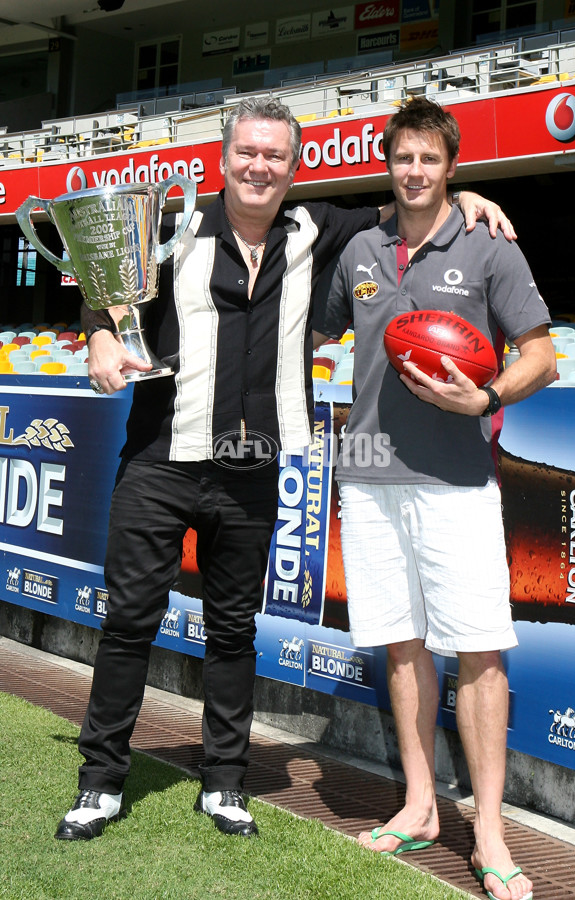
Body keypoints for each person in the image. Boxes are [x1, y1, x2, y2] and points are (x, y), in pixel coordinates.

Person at [55, 95, 516, 843]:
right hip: (160, 461)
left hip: (252, 467)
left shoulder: (319, 230)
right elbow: (104, 295)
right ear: (223, 159)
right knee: (129, 622)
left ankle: (225, 782)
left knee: (234, 631)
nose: (259, 166)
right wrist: (102, 340)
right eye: (248, 152)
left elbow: (409, 204)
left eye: (275, 155)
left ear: (294, 166)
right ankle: (100, 781)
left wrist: (461, 193)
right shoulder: (171, 230)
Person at [314, 96, 555, 900]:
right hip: (372, 480)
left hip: (456, 484)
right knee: (404, 647)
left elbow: (541, 354)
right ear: (387, 163)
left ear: (452, 168)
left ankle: (488, 831)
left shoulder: (487, 243)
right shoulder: (362, 249)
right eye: (402, 157)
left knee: (479, 652)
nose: (414, 171)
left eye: (429, 159)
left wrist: (485, 403)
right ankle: (419, 804)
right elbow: (313, 332)